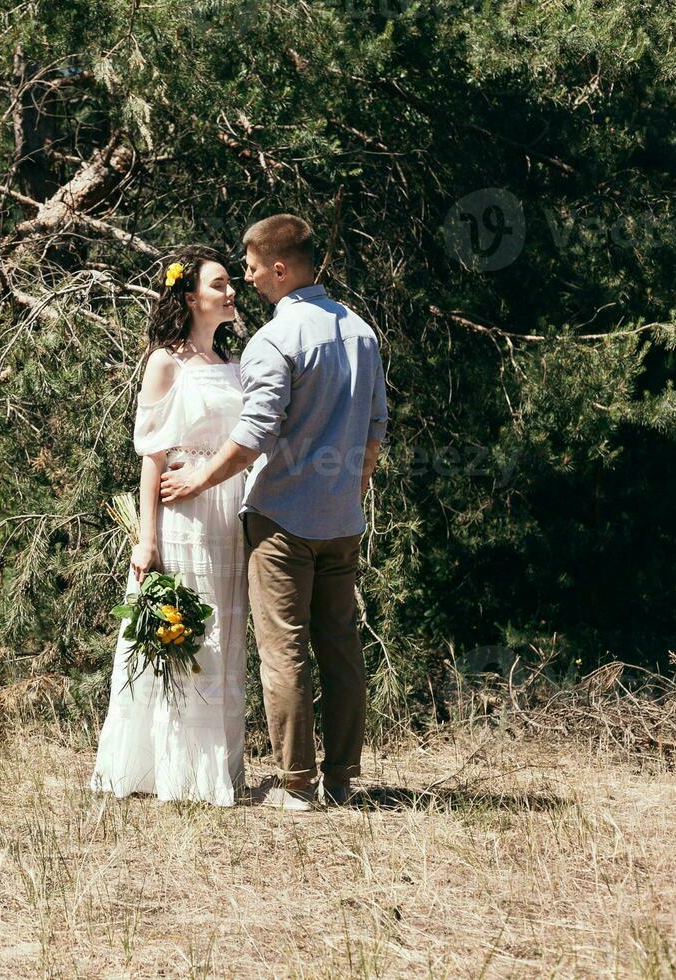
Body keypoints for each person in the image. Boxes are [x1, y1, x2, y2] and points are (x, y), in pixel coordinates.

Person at [159, 214, 388, 811]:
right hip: (342, 523)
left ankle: (297, 785)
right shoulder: (362, 332)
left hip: (282, 520)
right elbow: (374, 435)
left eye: (255, 268)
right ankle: (340, 779)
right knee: (340, 649)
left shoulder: (275, 340)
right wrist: (350, 495)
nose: (250, 279)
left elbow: (254, 435)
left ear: (281, 268)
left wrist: (199, 478)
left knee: (283, 651)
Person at [90, 246, 250, 807]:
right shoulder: (166, 362)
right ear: (190, 296)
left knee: (224, 636)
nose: (231, 292)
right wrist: (147, 536)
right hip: (182, 512)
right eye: (220, 284)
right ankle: (171, 767)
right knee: (183, 634)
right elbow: (152, 456)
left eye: (232, 284)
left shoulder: (235, 364)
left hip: (228, 513)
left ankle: (218, 768)